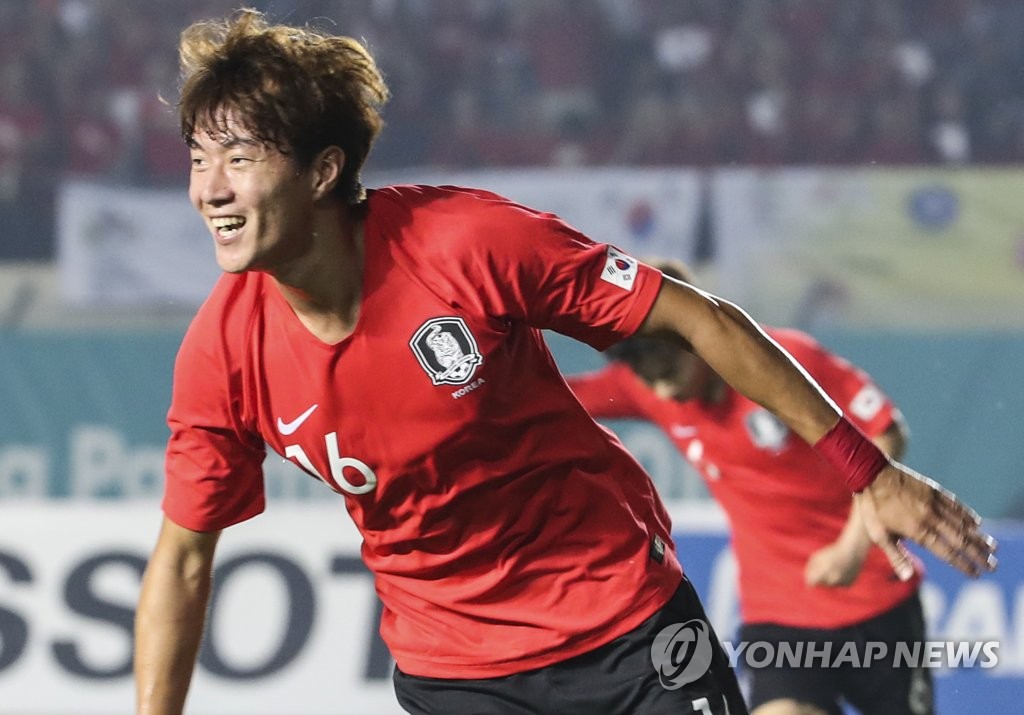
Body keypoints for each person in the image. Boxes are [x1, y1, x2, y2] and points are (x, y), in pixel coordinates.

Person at [133, 9, 995, 715]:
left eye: (239, 159)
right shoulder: (220, 352)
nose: (208, 189)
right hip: (454, 673)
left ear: (324, 170)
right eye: (200, 159)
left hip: (625, 625)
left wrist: (865, 469)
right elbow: (181, 562)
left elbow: (697, 317)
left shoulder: (467, 243)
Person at [566, 259, 934, 715]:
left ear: (693, 334)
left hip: (876, 598)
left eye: (665, 366)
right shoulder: (642, 386)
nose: (659, 387)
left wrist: (853, 547)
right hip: (779, 613)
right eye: (644, 373)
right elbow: (545, 394)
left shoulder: (784, 359)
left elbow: (885, 431)